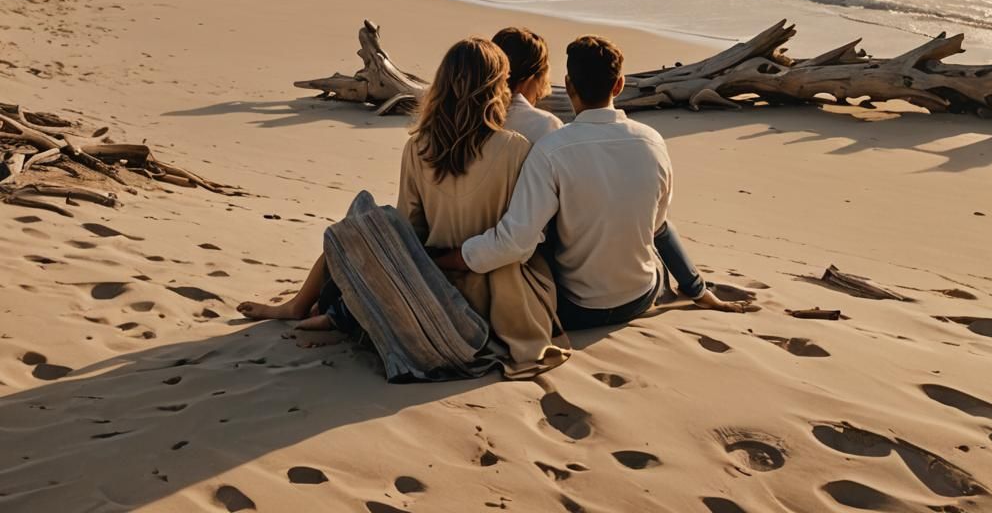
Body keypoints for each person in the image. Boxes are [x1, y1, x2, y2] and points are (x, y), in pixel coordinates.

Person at [239, 38, 568, 374]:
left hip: (437, 288)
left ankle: (328, 310)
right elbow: (520, 237)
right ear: (498, 86)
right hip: (501, 300)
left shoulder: (418, 147)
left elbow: (410, 230)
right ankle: (335, 312)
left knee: (367, 224)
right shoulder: (516, 149)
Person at [439, 34, 756, 329]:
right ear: (619, 85)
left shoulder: (551, 151)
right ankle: (694, 290)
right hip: (639, 298)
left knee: (546, 230)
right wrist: (699, 291)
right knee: (647, 230)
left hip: (575, 310)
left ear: (568, 84)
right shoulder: (653, 142)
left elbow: (514, 242)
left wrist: (450, 258)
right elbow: (659, 228)